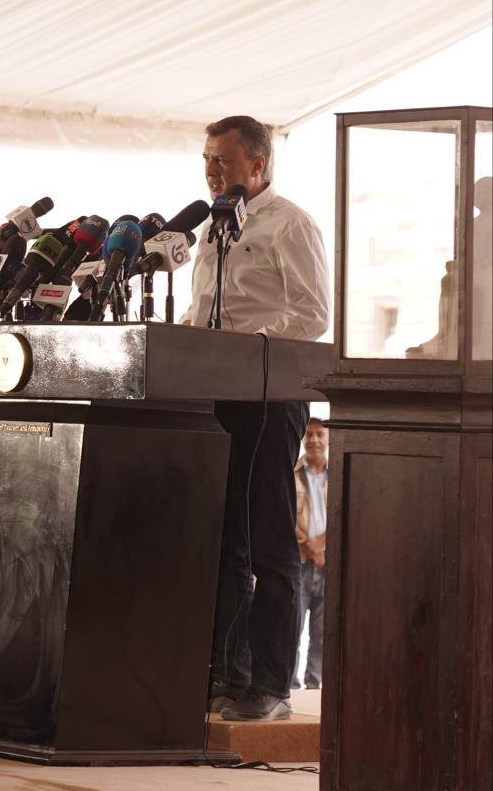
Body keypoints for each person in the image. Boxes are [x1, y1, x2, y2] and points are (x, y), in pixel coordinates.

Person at [180, 115, 330, 721]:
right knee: (225, 543)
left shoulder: (290, 223)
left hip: (268, 396)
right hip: (215, 395)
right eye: (207, 160)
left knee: (270, 542)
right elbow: (204, 313)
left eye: (223, 160)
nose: (212, 171)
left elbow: (313, 314)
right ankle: (226, 674)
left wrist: (250, 351)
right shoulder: (214, 227)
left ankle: (271, 684)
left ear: (258, 164)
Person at [292, 417, 329, 690]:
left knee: (322, 633)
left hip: (328, 565)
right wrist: (308, 546)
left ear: (328, 439)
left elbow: (345, 510)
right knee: (291, 629)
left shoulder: (340, 470)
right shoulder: (291, 472)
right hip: (299, 562)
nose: (314, 440)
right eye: (309, 434)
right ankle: (287, 688)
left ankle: (315, 688)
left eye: (320, 434)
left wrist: (322, 546)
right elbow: (284, 514)